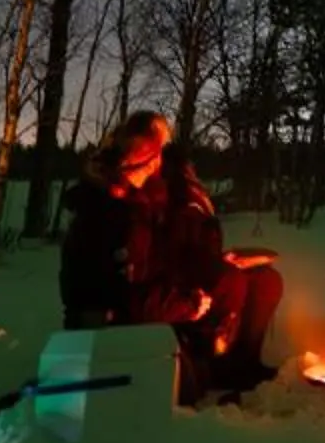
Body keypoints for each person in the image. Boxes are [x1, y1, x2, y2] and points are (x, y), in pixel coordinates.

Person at [136, 141, 284, 403]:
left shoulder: (194, 201)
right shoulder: (165, 203)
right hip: (181, 285)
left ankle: (246, 360)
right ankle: (215, 361)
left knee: (266, 280)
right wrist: (215, 268)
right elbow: (169, 258)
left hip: (199, 270)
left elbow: (199, 249)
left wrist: (223, 259)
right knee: (231, 281)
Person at [57, 111, 169, 331]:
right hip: (101, 326)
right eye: (155, 153)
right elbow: (110, 286)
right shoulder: (106, 208)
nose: (157, 164)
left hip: (120, 322)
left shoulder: (136, 201)